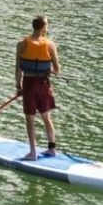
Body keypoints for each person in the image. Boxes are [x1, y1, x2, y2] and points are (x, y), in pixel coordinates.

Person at [15, 15, 61, 160]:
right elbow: (57, 69)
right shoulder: (50, 45)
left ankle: (33, 152)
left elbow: (18, 68)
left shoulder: (21, 44)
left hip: (29, 83)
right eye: (47, 25)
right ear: (43, 28)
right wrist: (46, 70)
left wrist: (18, 86)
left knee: (30, 119)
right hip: (44, 84)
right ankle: (52, 149)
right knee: (46, 117)